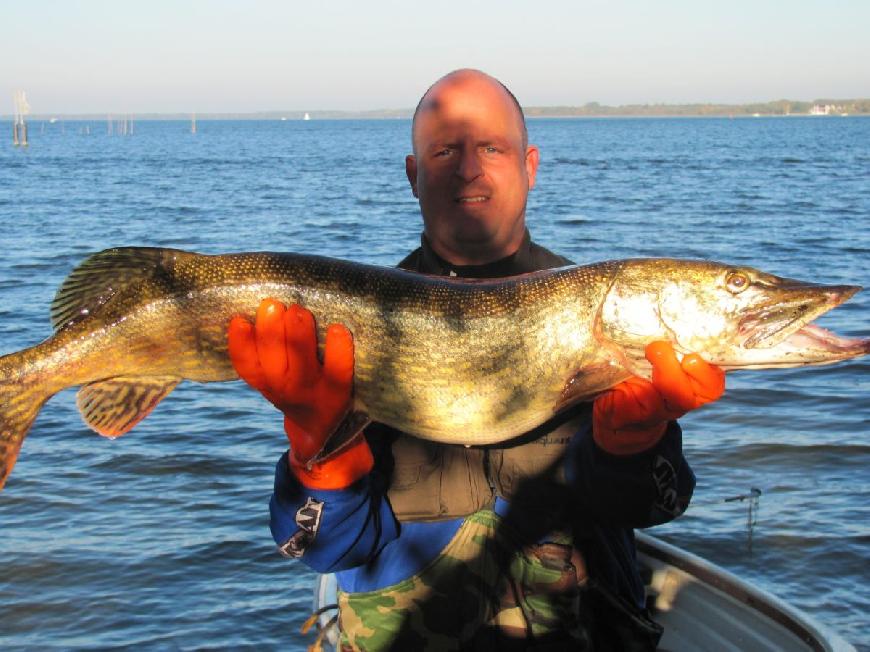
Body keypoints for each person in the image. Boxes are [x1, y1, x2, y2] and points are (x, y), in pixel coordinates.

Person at [227, 69, 725, 651]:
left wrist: (635, 448)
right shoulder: (352, 325)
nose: (469, 168)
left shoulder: (603, 320)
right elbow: (317, 547)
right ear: (413, 175)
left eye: (492, 147)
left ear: (530, 166)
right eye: (445, 151)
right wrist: (320, 454)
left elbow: (654, 505)